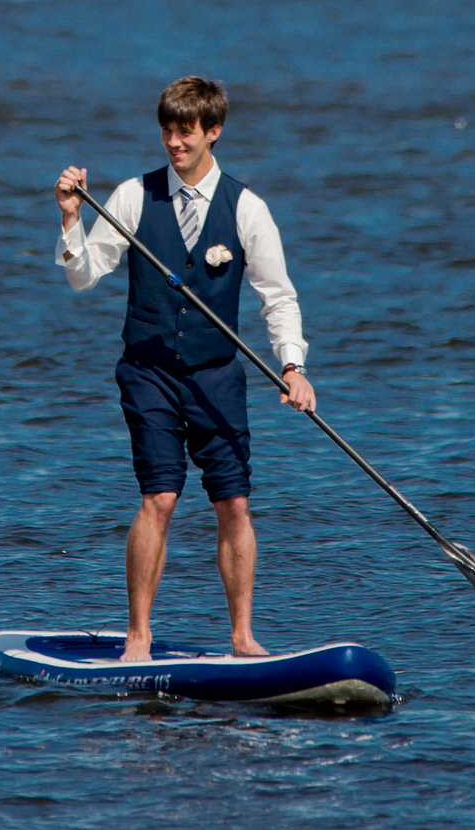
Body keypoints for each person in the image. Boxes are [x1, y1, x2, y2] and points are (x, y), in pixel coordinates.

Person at [53, 76, 312, 663]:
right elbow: (83, 275)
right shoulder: (131, 196)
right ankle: (138, 637)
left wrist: (293, 367)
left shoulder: (247, 208)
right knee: (161, 498)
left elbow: (279, 296)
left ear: (213, 132)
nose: (173, 143)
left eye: (185, 132)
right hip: (148, 372)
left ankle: (243, 637)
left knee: (235, 504)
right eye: (167, 131)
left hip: (218, 375)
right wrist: (71, 218)